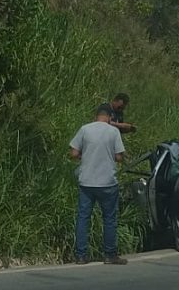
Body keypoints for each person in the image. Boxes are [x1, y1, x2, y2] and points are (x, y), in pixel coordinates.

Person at [70, 106, 127, 265]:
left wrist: (85, 155)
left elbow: (73, 153)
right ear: (110, 117)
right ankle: (110, 255)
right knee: (109, 219)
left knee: (83, 218)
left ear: (96, 116)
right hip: (107, 182)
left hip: (86, 182)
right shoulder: (113, 132)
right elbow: (119, 157)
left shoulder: (84, 129)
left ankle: (81, 255)